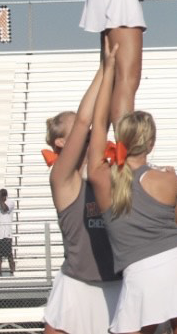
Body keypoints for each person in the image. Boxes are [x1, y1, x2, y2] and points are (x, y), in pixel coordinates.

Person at [88, 80, 177, 333]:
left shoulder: (103, 177)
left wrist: (109, 71)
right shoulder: (168, 179)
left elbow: (96, 124)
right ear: (151, 143)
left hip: (141, 272)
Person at [43, 50, 122, 333]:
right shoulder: (63, 179)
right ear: (62, 142)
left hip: (115, 285)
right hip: (76, 286)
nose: (88, 132)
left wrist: (113, 73)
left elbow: (105, 117)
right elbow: (85, 121)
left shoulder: (106, 173)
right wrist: (105, 67)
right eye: (80, 132)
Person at [0, 189, 16, 276]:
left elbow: (5, 209)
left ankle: (12, 271)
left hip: (6, 233)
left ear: (4, 196)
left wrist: (1, 200)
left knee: (9, 254)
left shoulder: (10, 202)